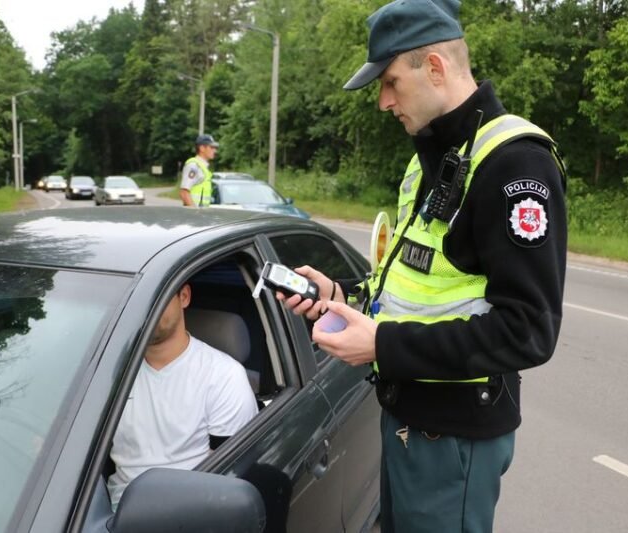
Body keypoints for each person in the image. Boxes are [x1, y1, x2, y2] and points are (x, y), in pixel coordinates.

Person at [279, 0, 567, 531]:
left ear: (434, 67)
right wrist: (342, 298)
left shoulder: (514, 163)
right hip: (409, 413)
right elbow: (415, 283)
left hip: (454, 434)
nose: (384, 102)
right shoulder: (429, 158)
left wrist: (384, 346)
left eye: (390, 82)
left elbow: (529, 331)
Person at [106, 283, 258, 508]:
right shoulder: (108, 374)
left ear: (184, 297)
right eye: (136, 299)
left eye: (157, 297)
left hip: (191, 511)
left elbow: (231, 473)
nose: (145, 309)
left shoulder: (222, 375)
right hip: (111, 512)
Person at [180, 134, 219, 207]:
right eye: (211, 147)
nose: (215, 150)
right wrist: (195, 213)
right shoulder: (194, 166)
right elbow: (184, 193)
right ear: (202, 148)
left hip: (202, 216)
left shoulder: (204, 167)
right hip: (194, 216)